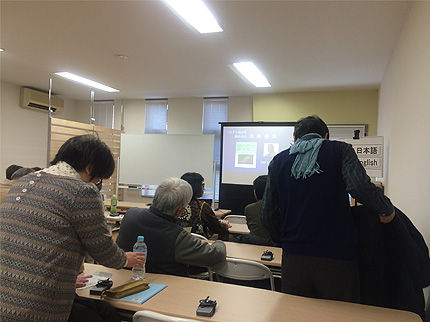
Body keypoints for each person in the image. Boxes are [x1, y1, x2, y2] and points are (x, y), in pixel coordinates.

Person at [0, 135, 145, 321]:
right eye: (98, 178)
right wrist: (125, 259)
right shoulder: (81, 191)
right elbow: (102, 249)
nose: (96, 184)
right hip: (36, 305)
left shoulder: (23, 181)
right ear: (89, 169)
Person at [261, 115, 395, 303]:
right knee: (340, 315)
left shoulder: (278, 160)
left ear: (294, 139)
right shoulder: (340, 150)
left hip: (294, 259)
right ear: (326, 136)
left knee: (297, 315)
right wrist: (386, 209)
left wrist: (284, 239)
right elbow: (359, 187)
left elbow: (267, 213)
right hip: (337, 259)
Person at [116, 177, 226, 277]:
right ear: (179, 211)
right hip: (165, 289)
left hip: (124, 281)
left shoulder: (130, 214)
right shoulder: (177, 236)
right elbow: (216, 256)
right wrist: (219, 242)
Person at [178, 172, 230, 241]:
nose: (203, 188)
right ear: (197, 187)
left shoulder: (173, 203)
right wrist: (224, 225)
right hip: (197, 244)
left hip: (174, 243)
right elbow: (216, 228)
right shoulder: (202, 206)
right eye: (202, 185)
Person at [244, 175, 271, 240]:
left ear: (255, 192)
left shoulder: (249, 208)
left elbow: (251, 228)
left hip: (254, 243)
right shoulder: (280, 208)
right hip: (276, 247)